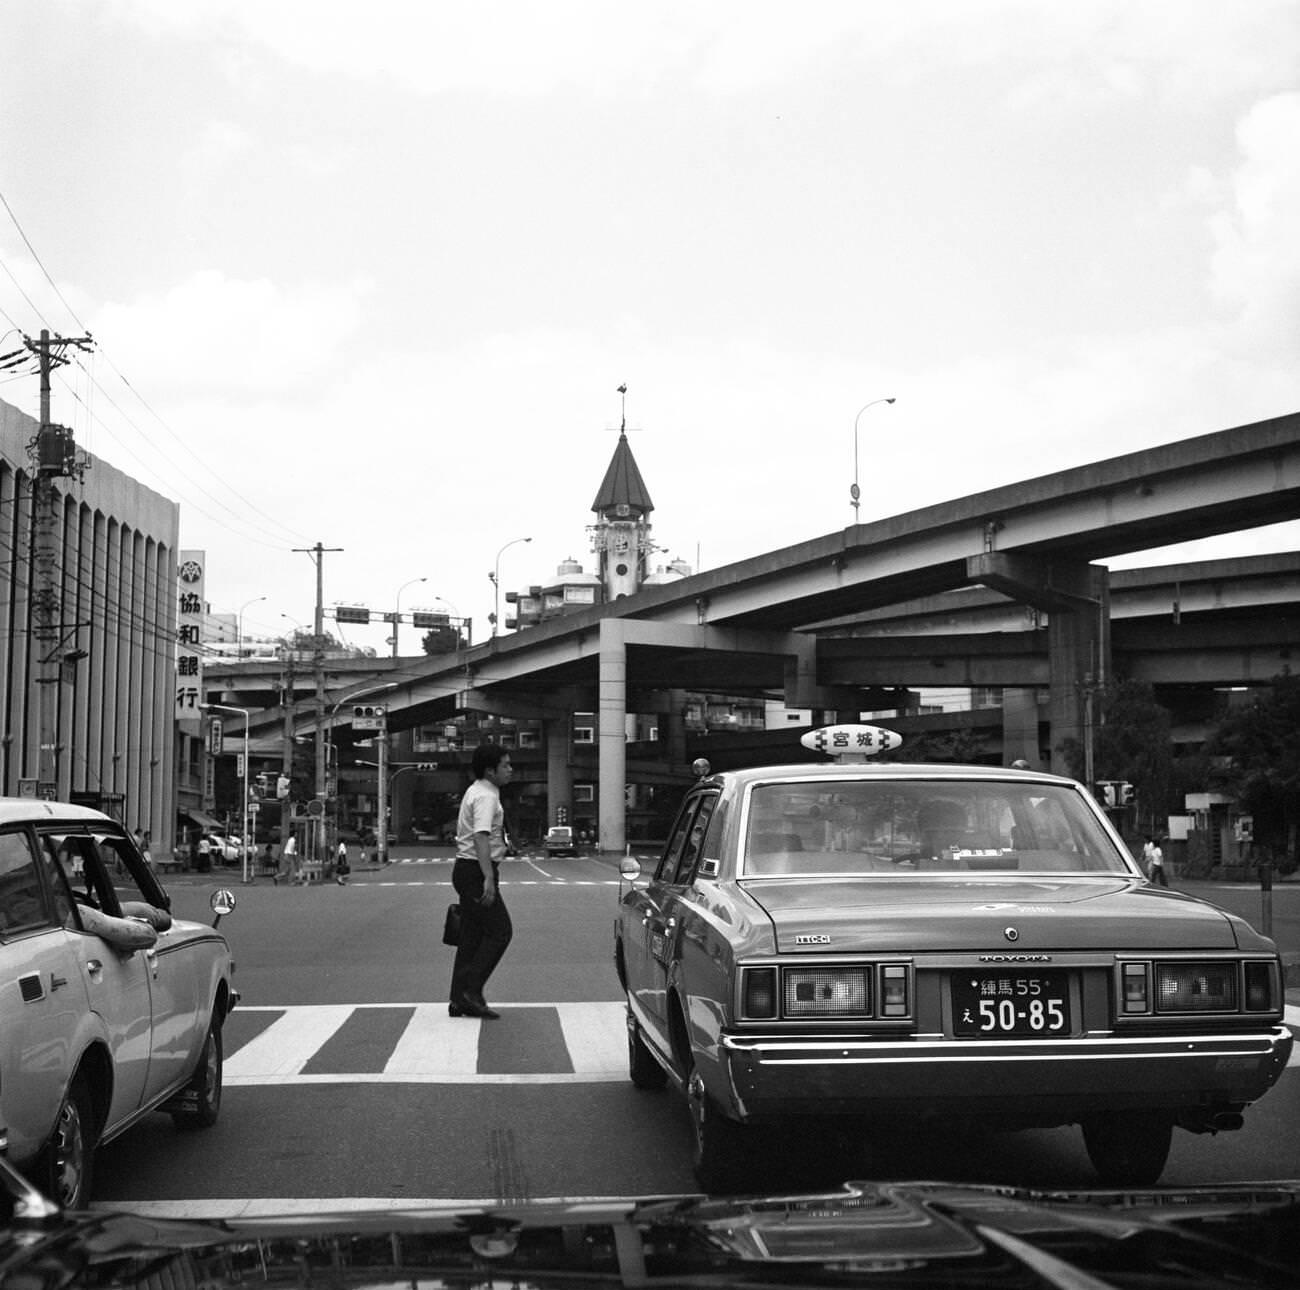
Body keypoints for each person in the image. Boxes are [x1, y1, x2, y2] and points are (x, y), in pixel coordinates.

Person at [448, 742, 515, 1020]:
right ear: (490, 770)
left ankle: (458, 999)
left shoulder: (476, 790)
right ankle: (470, 993)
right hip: (476, 871)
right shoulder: (486, 796)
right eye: (506, 765)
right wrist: (489, 877)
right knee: (501, 931)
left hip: (466, 869)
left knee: (471, 937)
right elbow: (481, 835)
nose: (510, 770)